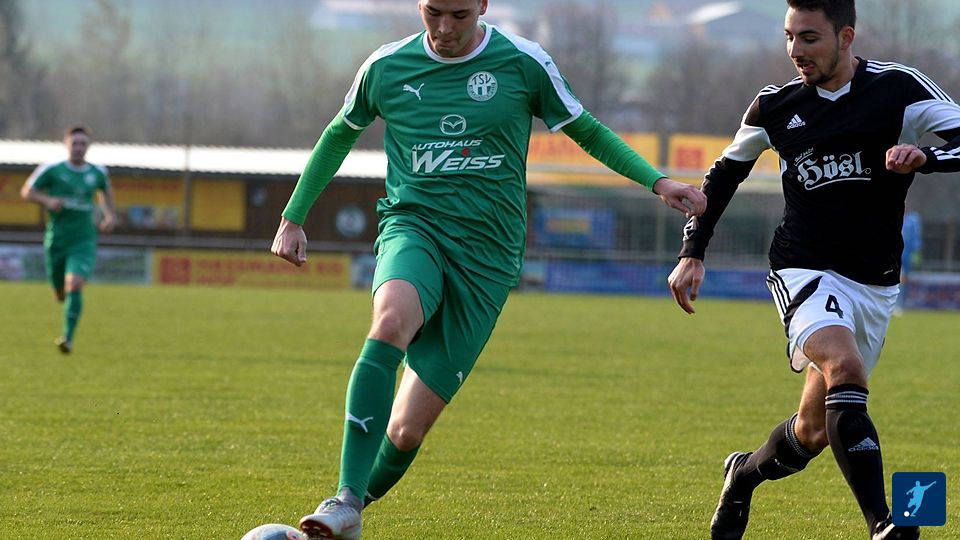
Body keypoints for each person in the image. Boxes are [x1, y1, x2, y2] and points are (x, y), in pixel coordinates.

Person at [270, 0, 706, 538]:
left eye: (458, 14)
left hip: (488, 260)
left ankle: (358, 506)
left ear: (482, 5)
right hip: (415, 227)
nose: (444, 28)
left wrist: (657, 182)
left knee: (405, 432)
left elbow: (586, 130)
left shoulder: (523, 62)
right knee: (389, 322)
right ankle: (344, 499)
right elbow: (340, 133)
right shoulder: (385, 68)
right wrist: (292, 216)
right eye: (433, 12)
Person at [666, 1, 960, 539]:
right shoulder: (774, 107)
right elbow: (723, 176)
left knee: (812, 431)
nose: (795, 51)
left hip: (874, 281)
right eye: (789, 37)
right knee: (844, 367)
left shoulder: (898, 88)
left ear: (846, 36)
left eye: (809, 38)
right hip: (802, 268)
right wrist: (693, 251)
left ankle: (742, 475)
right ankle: (882, 523)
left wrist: (927, 157)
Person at [21, 125, 116, 354]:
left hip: (83, 241)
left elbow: (105, 192)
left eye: (83, 144)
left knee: (74, 284)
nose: (79, 148)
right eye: (75, 143)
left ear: (88, 146)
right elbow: (27, 191)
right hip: (57, 240)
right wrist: (48, 201)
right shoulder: (52, 170)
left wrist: (110, 214)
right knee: (60, 294)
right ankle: (63, 297)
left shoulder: (98, 172)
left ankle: (68, 338)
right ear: (66, 144)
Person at [896, 207, 922, 313]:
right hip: (894, 255)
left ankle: (899, 305)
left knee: (902, 280)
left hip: (906, 255)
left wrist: (916, 253)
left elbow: (916, 237)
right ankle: (895, 305)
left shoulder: (913, 219)